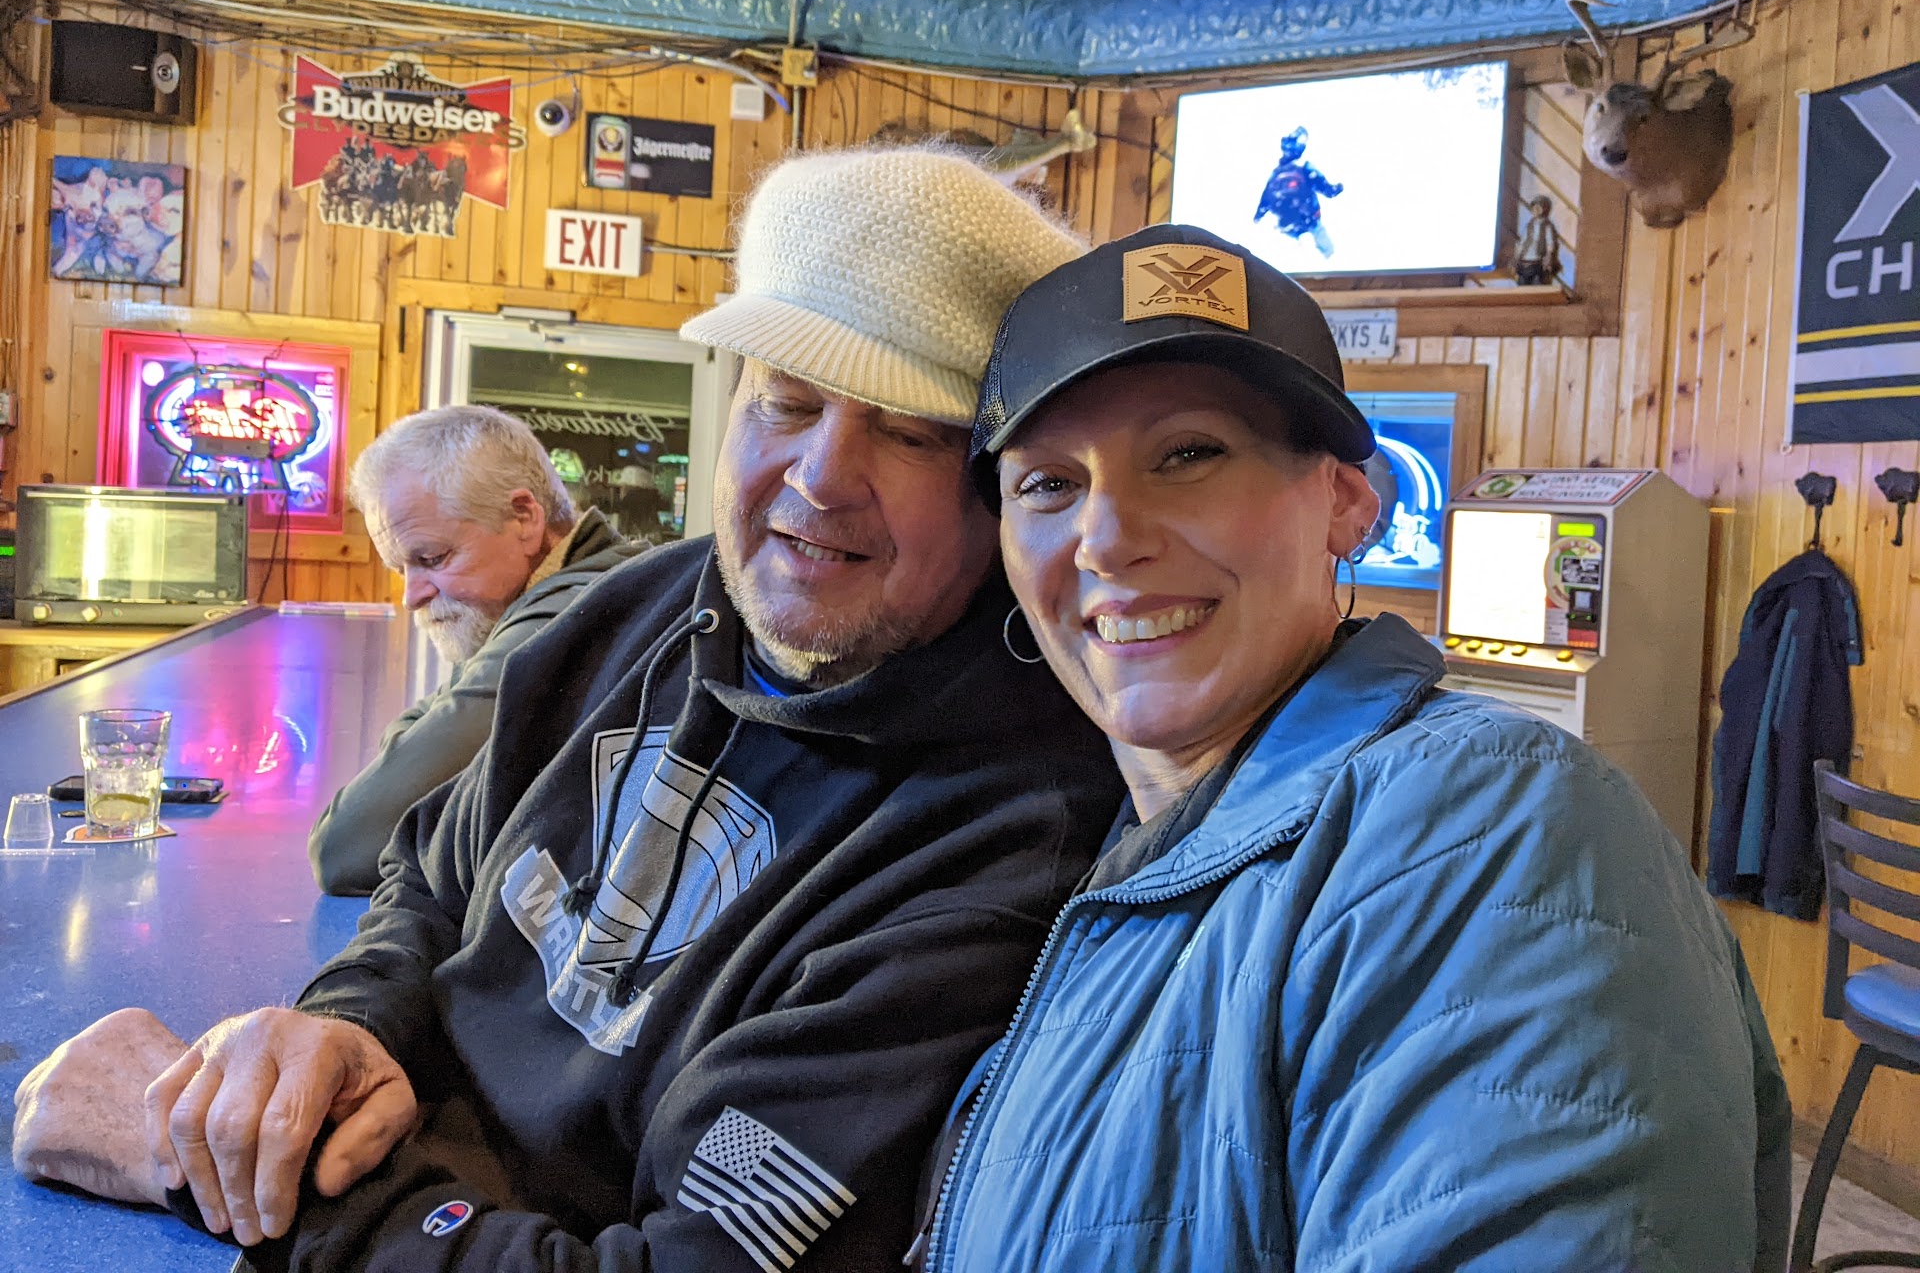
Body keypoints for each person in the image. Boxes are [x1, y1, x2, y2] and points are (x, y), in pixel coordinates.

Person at [10, 148, 1124, 1273]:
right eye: (787, 401)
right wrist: (341, 1033)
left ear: (998, 480)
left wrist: (213, 1165)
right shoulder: (647, 607)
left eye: (911, 430)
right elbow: (427, 873)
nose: (820, 477)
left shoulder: (1012, 837)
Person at [921, 225, 1793, 1271]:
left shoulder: (1493, 823)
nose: (1106, 538)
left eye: (1189, 454)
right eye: (1047, 486)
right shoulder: (1107, 845)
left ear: (1345, 502)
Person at [308, 405, 639, 895]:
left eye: (431, 558)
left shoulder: (568, 616)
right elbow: (425, 725)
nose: (411, 595)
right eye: (401, 569)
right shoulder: (549, 596)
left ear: (524, 517)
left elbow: (347, 844)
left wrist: (414, 746)